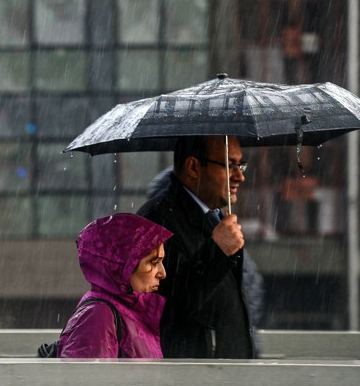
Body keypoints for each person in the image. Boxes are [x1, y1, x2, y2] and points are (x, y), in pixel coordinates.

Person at [137, 135, 255, 359]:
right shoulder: (158, 220)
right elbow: (164, 309)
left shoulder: (214, 217)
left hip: (221, 378)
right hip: (193, 382)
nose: (240, 176)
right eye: (229, 165)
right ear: (193, 166)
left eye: (241, 165)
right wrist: (217, 252)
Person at [57, 213, 172, 359]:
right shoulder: (99, 315)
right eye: (154, 263)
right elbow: (84, 379)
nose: (162, 273)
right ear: (123, 265)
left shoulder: (124, 310)